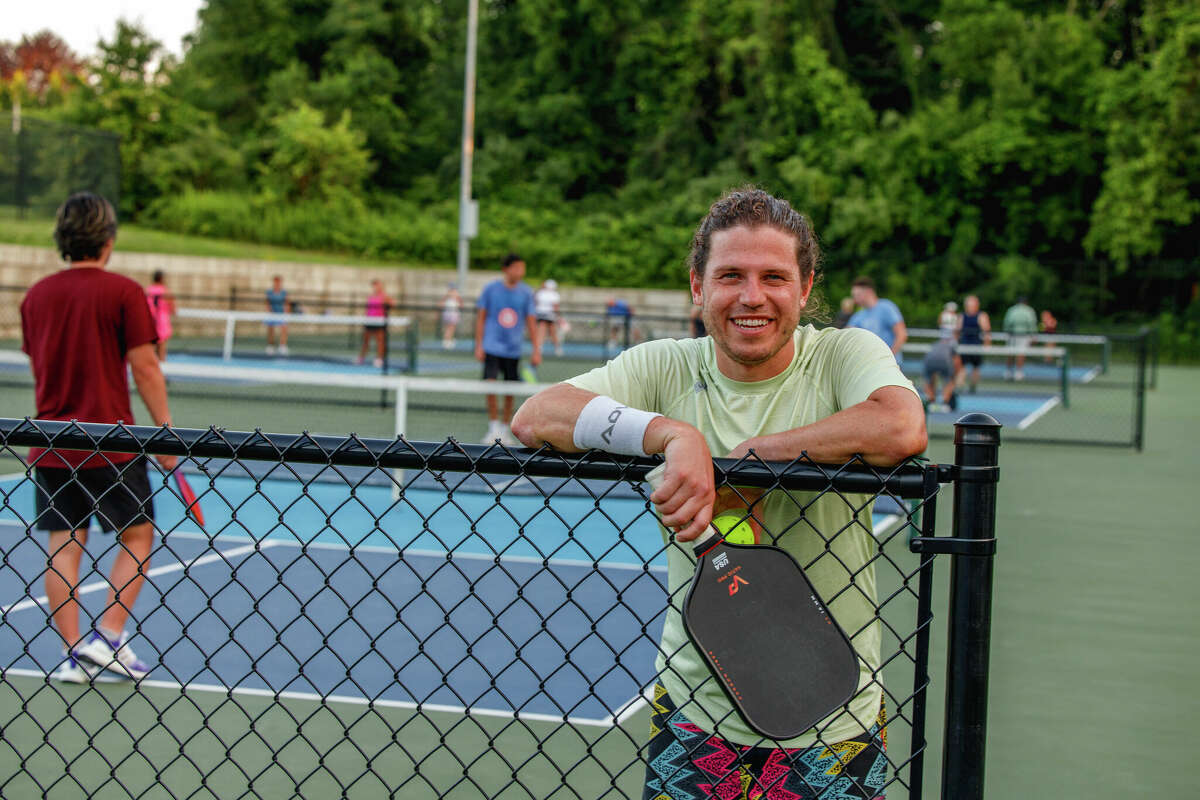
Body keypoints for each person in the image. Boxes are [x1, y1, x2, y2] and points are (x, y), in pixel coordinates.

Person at [511, 188, 926, 799]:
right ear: (698, 287)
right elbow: (536, 415)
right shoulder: (665, 367)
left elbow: (901, 426)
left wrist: (761, 456)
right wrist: (670, 434)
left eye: (773, 278)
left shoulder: (843, 355)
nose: (751, 297)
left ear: (806, 288)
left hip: (833, 719)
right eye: (730, 275)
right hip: (697, 718)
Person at [20, 192, 177, 684]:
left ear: (63, 240)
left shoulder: (36, 297)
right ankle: (108, 638)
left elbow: (39, 364)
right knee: (138, 534)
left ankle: (73, 656)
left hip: (49, 440)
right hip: (112, 443)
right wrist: (167, 434)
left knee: (63, 544)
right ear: (108, 241)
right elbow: (146, 367)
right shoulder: (124, 293)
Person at [475, 254, 541, 445]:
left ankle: (505, 429)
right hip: (492, 347)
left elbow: (531, 322)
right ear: (506, 269)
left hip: (513, 350)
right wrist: (479, 345)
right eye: (517, 268)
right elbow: (481, 317)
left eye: (523, 268)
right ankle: (493, 427)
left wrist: (536, 349)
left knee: (510, 390)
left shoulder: (526, 293)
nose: (520, 272)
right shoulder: (490, 289)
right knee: (490, 385)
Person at [847, 276, 907, 361]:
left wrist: (890, 358)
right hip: (870, 365)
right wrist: (844, 313)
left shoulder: (886, 307)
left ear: (869, 292)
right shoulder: (858, 315)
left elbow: (902, 334)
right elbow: (846, 336)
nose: (854, 300)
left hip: (891, 366)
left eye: (857, 295)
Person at [956, 295, 991, 393]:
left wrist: (986, 345)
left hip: (976, 346)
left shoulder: (981, 316)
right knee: (962, 367)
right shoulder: (962, 316)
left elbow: (986, 331)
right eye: (968, 305)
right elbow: (957, 331)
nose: (970, 307)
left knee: (976, 368)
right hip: (964, 346)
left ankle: (973, 387)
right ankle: (960, 386)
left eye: (972, 305)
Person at [922, 329, 962, 412]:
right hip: (944, 361)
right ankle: (945, 404)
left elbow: (928, 355)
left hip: (929, 361)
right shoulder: (952, 345)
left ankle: (931, 403)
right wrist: (955, 375)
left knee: (929, 381)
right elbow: (957, 361)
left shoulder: (935, 344)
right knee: (949, 381)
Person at [357, 279, 392, 368]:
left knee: (380, 341)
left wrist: (386, 306)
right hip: (369, 321)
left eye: (378, 285)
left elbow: (391, 304)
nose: (376, 287)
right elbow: (368, 309)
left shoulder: (385, 296)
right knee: (365, 341)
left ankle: (379, 359)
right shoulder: (371, 296)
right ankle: (361, 358)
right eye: (374, 285)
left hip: (379, 322)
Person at [1003, 296, 1038, 380]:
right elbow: (1032, 323)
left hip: (1011, 335)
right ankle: (1018, 372)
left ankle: (1008, 371)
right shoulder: (1029, 310)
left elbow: (1007, 323)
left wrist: (1007, 333)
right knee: (1021, 353)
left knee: (1010, 353)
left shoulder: (1011, 310)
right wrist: (1033, 335)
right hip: (1024, 335)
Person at [144, 270, 175, 361]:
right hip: (162, 321)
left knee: (151, 349)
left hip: (150, 321)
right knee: (162, 348)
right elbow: (173, 308)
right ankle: (161, 371)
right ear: (162, 279)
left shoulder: (148, 290)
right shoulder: (166, 291)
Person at [533, 278, 563, 357]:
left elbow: (535, 303)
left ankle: (539, 347)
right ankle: (557, 348)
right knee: (552, 332)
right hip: (550, 314)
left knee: (542, 331)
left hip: (541, 314)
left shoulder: (540, 293)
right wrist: (558, 317)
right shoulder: (554, 294)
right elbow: (555, 307)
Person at [265, 275, 289, 356]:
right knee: (270, 328)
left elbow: (286, 303)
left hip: (281, 314)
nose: (277, 284)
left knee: (284, 328)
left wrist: (285, 313)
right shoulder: (269, 292)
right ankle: (271, 346)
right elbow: (267, 303)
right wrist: (270, 312)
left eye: (279, 282)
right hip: (272, 314)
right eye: (276, 282)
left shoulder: (284, 292)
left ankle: (282, 346)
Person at [440, 283, 463, 349]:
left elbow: (460, 304)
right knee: (450, 328)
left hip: (450, 313)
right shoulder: (454, 295)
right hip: (451, 313)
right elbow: (461, 304)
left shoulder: (449, 295)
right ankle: (447, 341)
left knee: (450, 327)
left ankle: (448, 340)